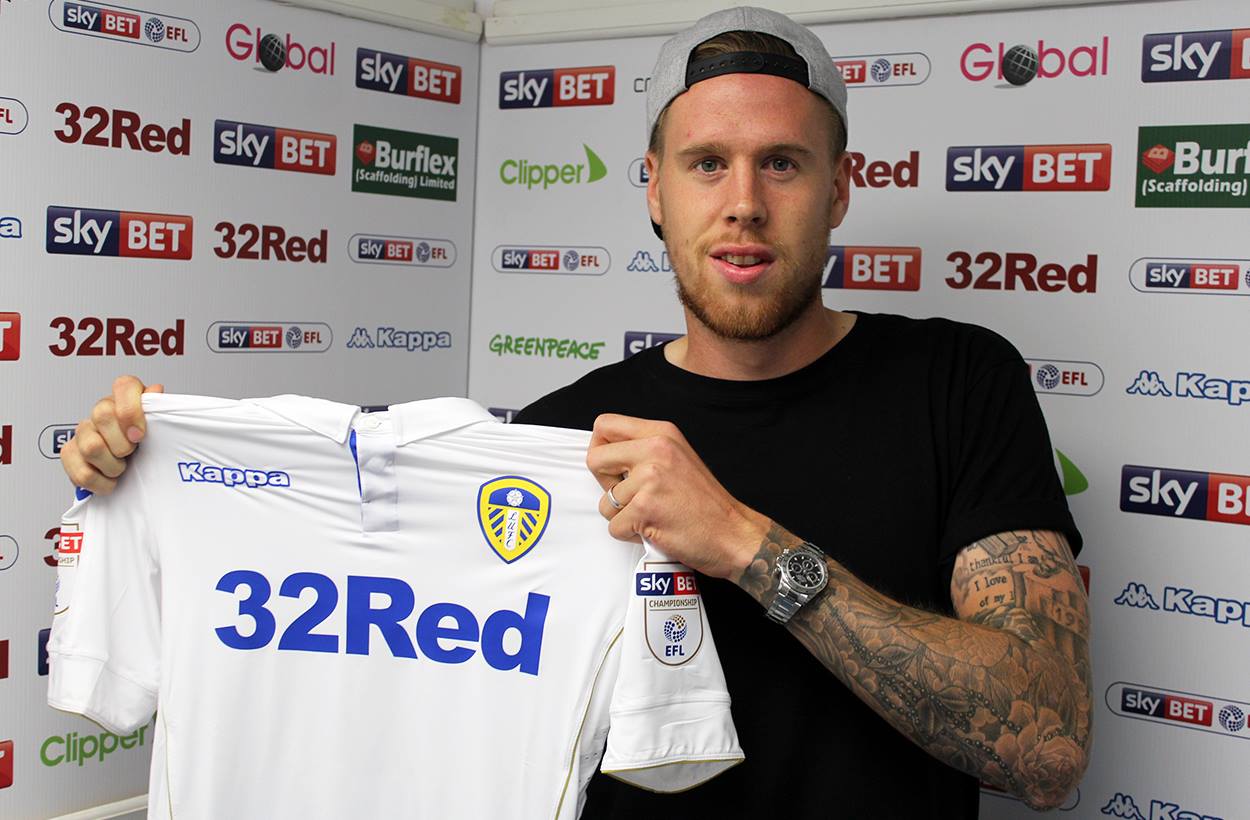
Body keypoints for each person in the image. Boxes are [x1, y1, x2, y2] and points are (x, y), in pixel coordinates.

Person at [61, 7, 1090, 818]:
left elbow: (1046, 746)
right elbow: (377, 661)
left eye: (781, 162)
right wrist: (154, 471)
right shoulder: (556, 440)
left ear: (839, 191)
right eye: (705, 163)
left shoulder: (958, 382)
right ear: (653, 191)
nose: (743, 201)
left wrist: (745, 543)